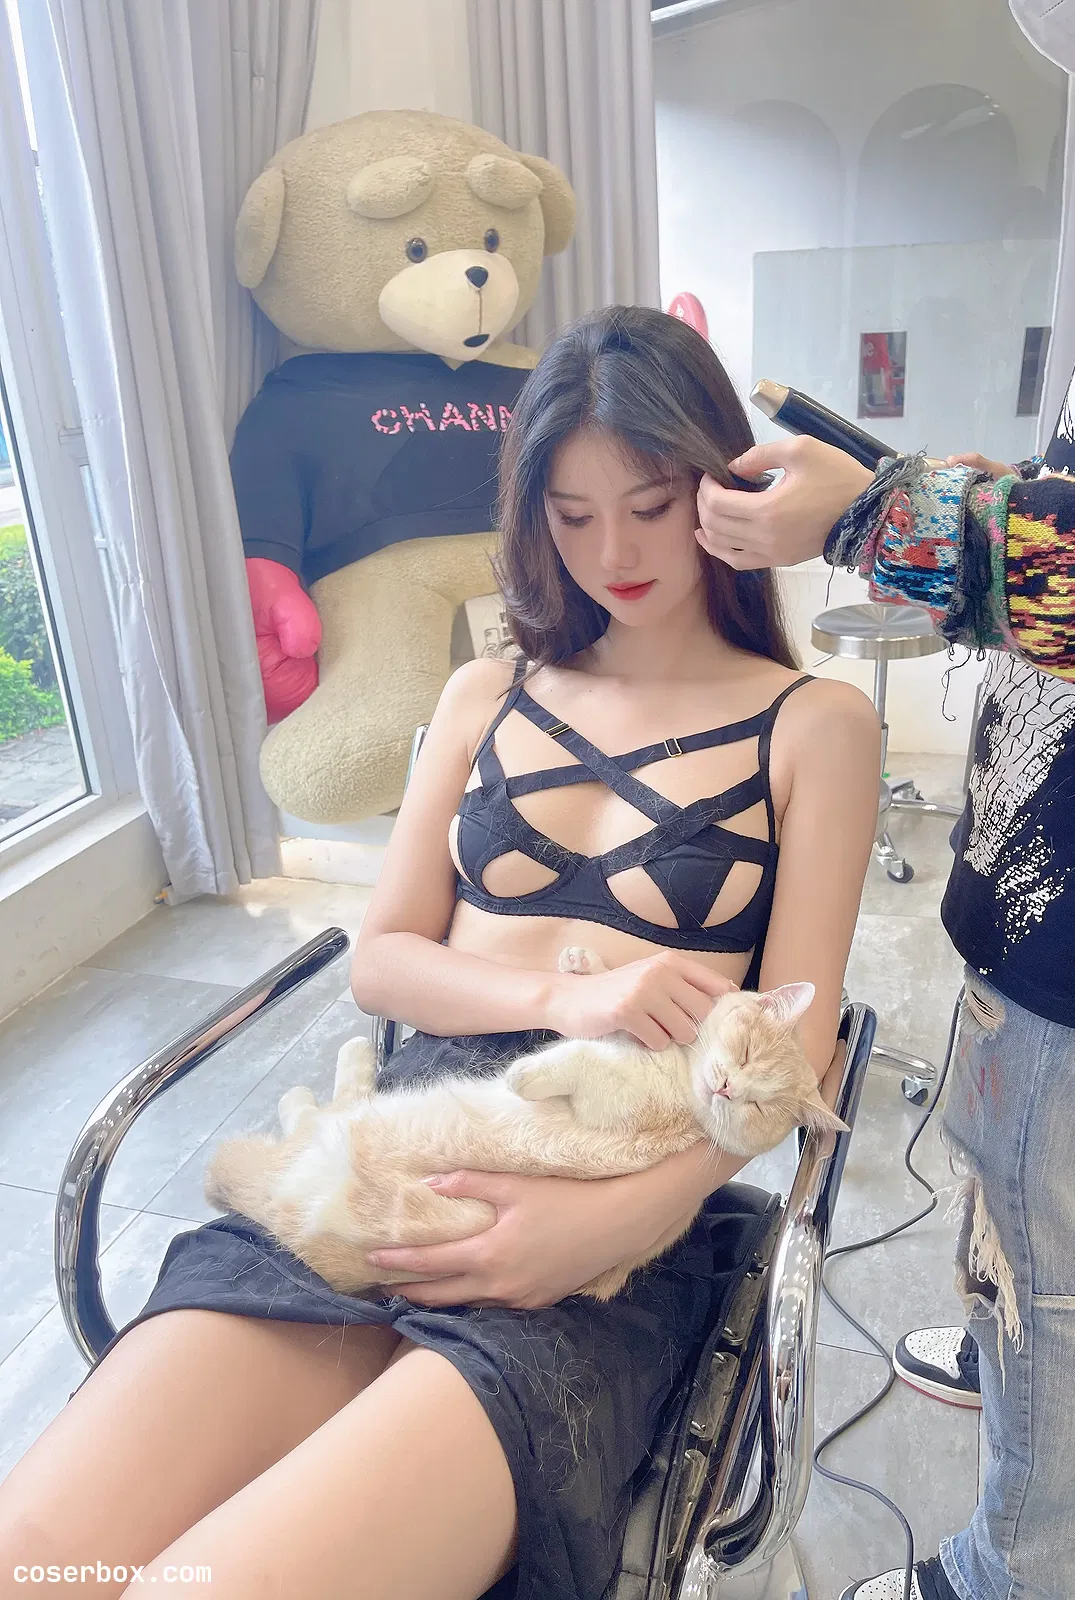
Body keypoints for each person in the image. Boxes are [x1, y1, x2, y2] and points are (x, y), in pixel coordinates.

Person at [0, 306, 880, 1600]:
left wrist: (604, 1227)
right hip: (396, 1152)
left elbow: (799, 1054)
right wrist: (574, 998)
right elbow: (385, 961)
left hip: (618, 1203)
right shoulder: (487, 693)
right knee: (38, 1561)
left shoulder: (815, 725)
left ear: (722, 486)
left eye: (650, 506)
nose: (614, 553)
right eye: (572, 517)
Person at [696, 6, 1075, 1599]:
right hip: (1064, 817)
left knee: (1053, 1242)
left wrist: (878, 517)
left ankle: (1026, 1566)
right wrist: (950, 491)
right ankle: (1007, 1367)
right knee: (1003, 1161)